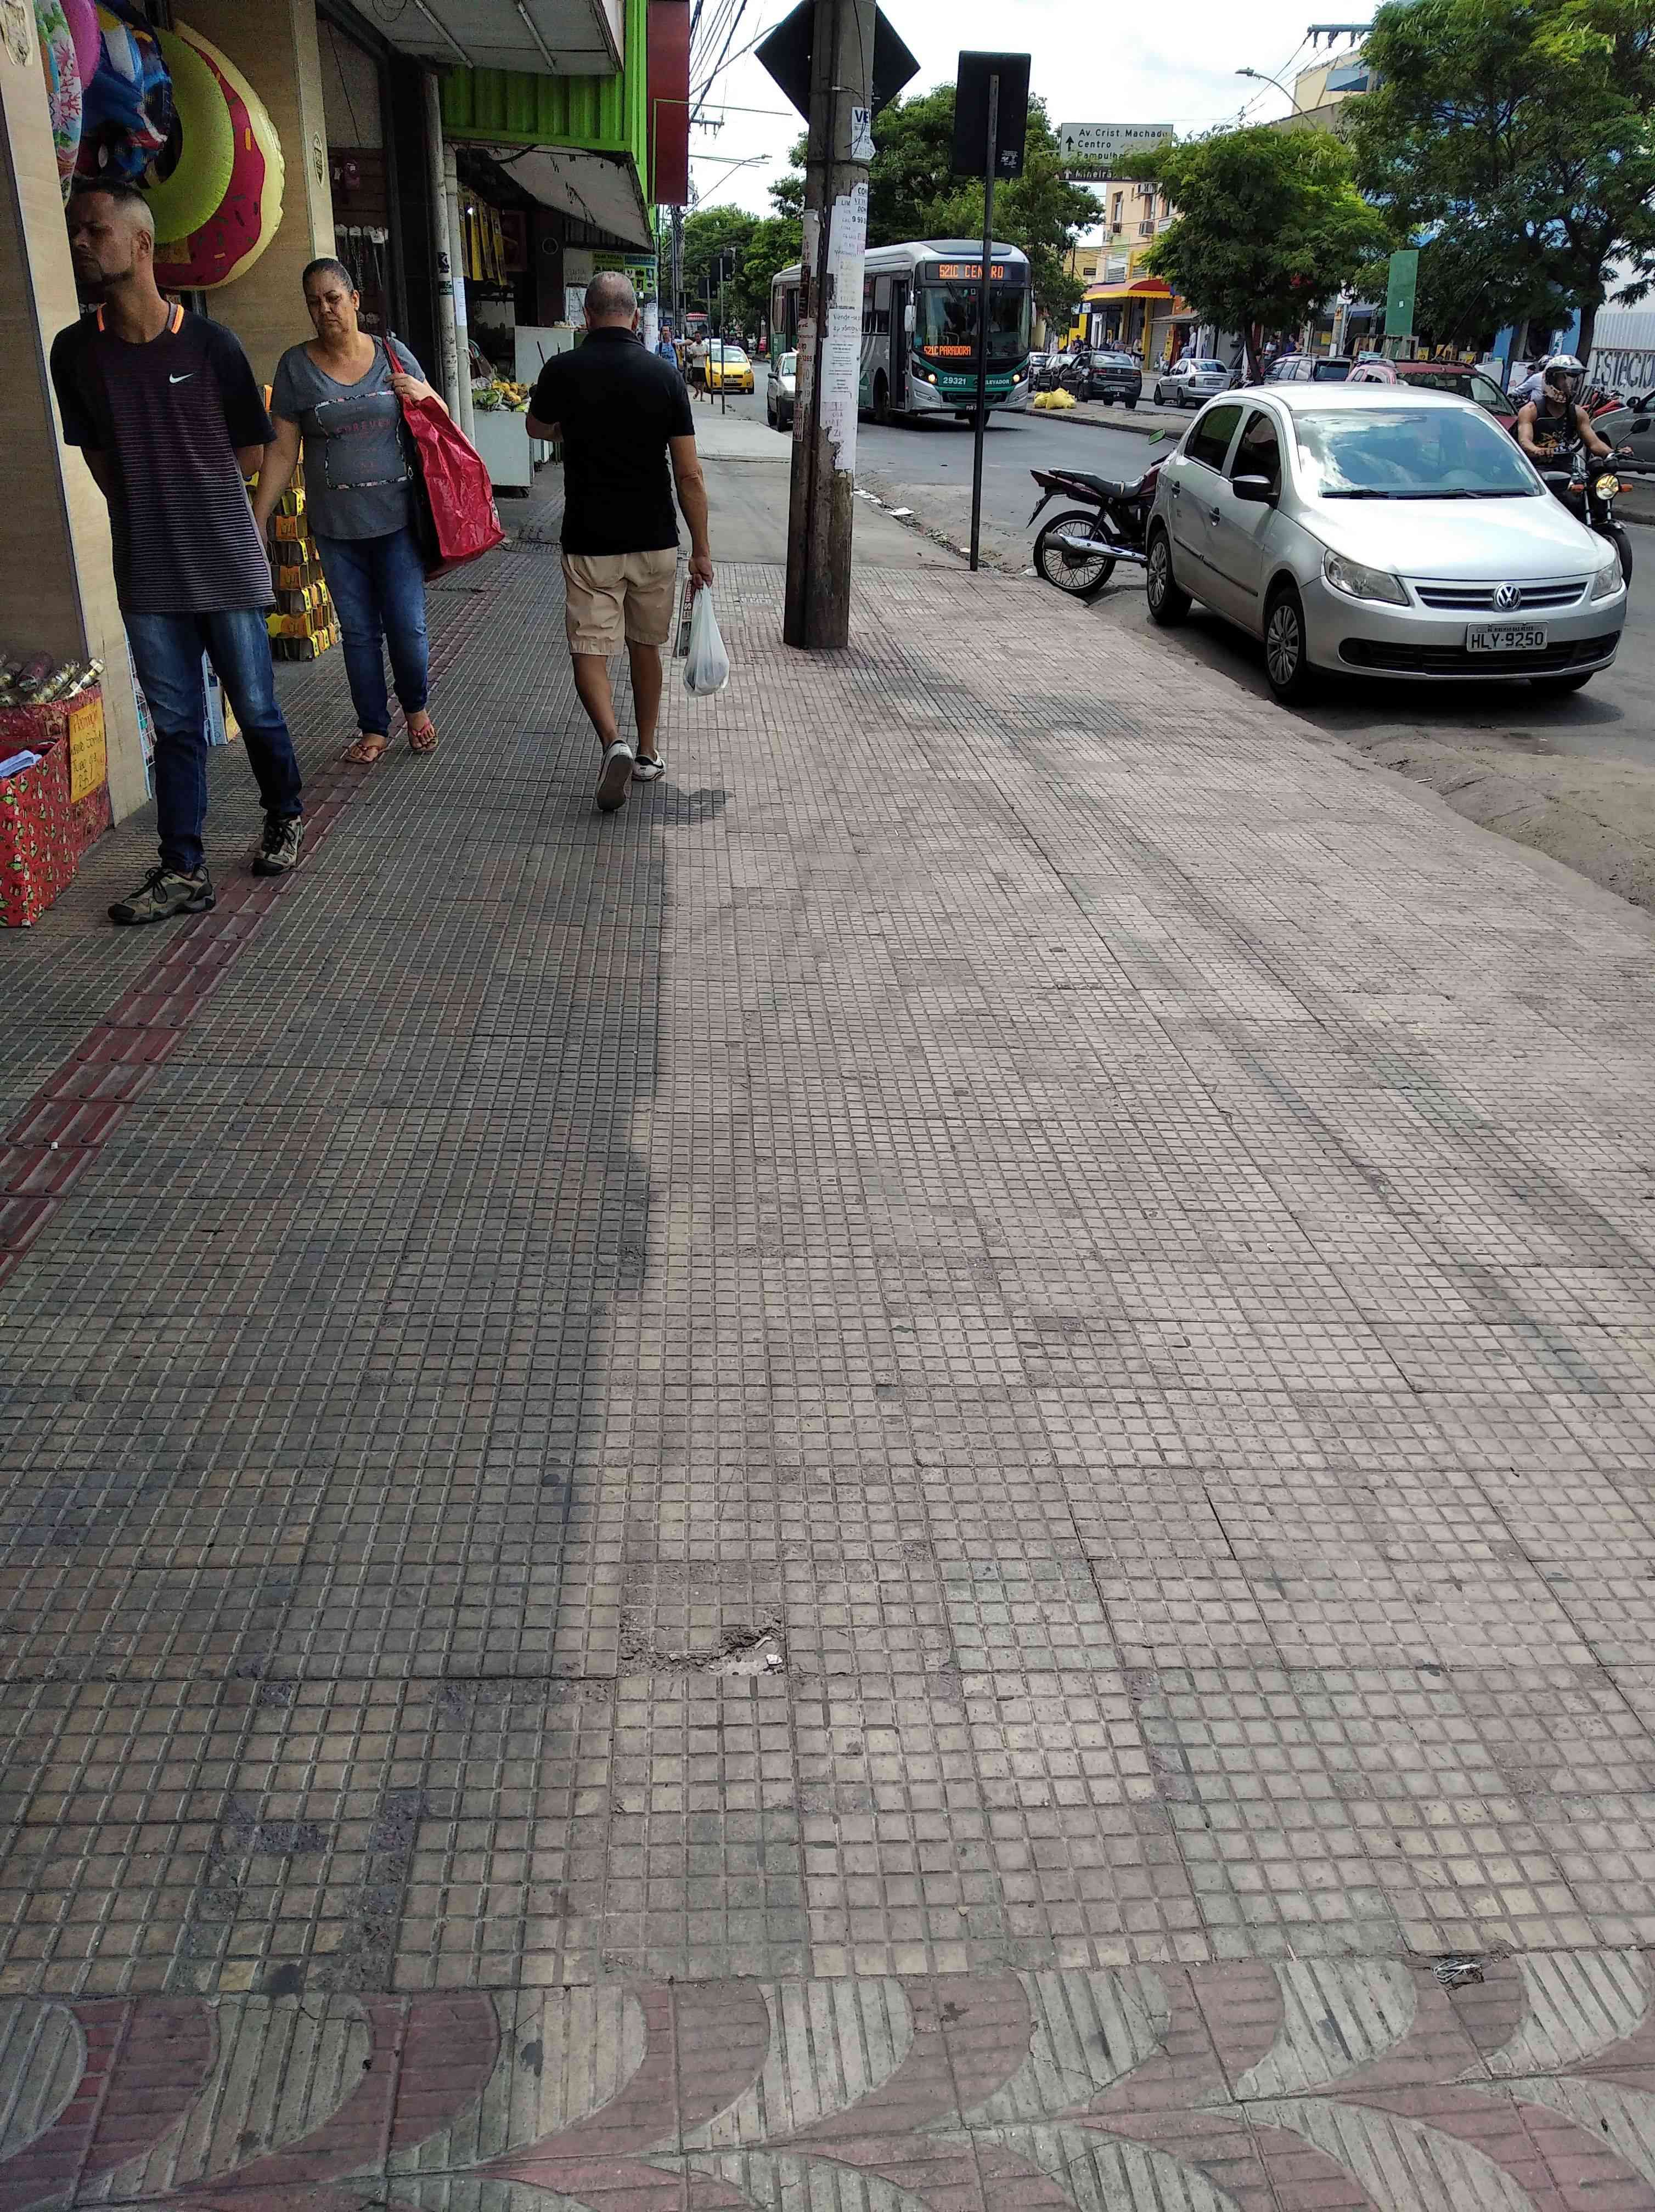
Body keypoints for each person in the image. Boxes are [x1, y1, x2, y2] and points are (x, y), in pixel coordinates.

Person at [50, 182, 304, 924]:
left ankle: (284, 814)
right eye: (73, 229)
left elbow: (253, 453)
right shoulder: (76, 352)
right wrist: (149, 506)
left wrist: (194, 497)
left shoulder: (211, 345)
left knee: (255, 707)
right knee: (177, 725)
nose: (79, 242)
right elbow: (98, 457)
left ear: (140, 244)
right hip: (147, 569)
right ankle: (182, 868)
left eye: (94, 229)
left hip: (224, 557)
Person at [525, 269, 713, 812]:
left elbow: (536, 427)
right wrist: (701, 549)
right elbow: (689, 474)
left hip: (590, 540)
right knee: (644, 646)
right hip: (654, 537)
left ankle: (614, 742)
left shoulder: (562, 369)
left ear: (586, 316)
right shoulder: (665, 376)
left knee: (589, 647)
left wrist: (566, 428)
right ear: (634, 317)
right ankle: (648, 752)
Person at [255, 258, 444, 765]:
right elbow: (282, 450)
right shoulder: (295, 367)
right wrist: (259, 516)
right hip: (336, 528)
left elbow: (440, 421)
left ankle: (416, 709)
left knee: (408, 627)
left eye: (333, 298)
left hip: (398, 520)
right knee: (359, 633)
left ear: (355, 300)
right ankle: (374, 727)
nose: (325, 309)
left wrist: (425, 395)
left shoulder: (392, 355)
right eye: (314, 302)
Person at [1517, 354, 1612, 466]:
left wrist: (1614, 453)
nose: (1569, 386)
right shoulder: (1530, 411)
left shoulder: (1578, 413)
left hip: (1568, 468)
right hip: (1535, 469)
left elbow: (1594, 444)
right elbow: (1525, 441)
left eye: (1574, 381)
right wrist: (1537, 450)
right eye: (1564, 380)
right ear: (1550, 380)